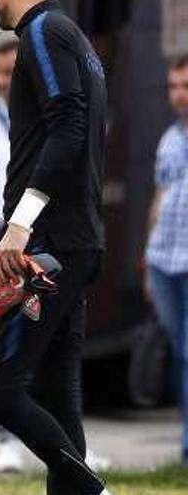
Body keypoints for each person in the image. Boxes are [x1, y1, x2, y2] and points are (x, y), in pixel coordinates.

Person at [0, 37, 110, 475]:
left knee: (2, 387)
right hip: (15, 236)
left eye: (13, 73)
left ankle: (90, 485)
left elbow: (67, 133)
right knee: (56, 381)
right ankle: (14, 446)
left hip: (34, 245)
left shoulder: (48, 39)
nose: (5, 81)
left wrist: (20, 225)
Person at [145, 54, 188, 468]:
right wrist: (146, 255)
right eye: (174, 86)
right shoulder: (169, 138)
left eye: (186, 86)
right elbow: (159, 196)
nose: (179, 95)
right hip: (164, 260)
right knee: (180, 352)